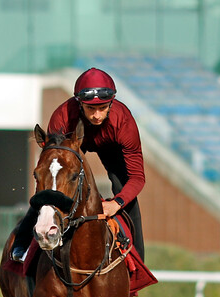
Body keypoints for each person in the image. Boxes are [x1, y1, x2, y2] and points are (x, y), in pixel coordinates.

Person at [11, 67, 146, 262]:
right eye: (91, 108)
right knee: (51, 186)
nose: (97, 115)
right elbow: (51, 166)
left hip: (111, 147)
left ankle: (137, 262)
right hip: (70, 144)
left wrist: (116, 204)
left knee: (122, 187)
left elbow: (137, 178)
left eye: (103, 108)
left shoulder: (124, 121)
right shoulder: (62, 117)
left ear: (112, 102)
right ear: (79, 103)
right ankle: (21, 245)